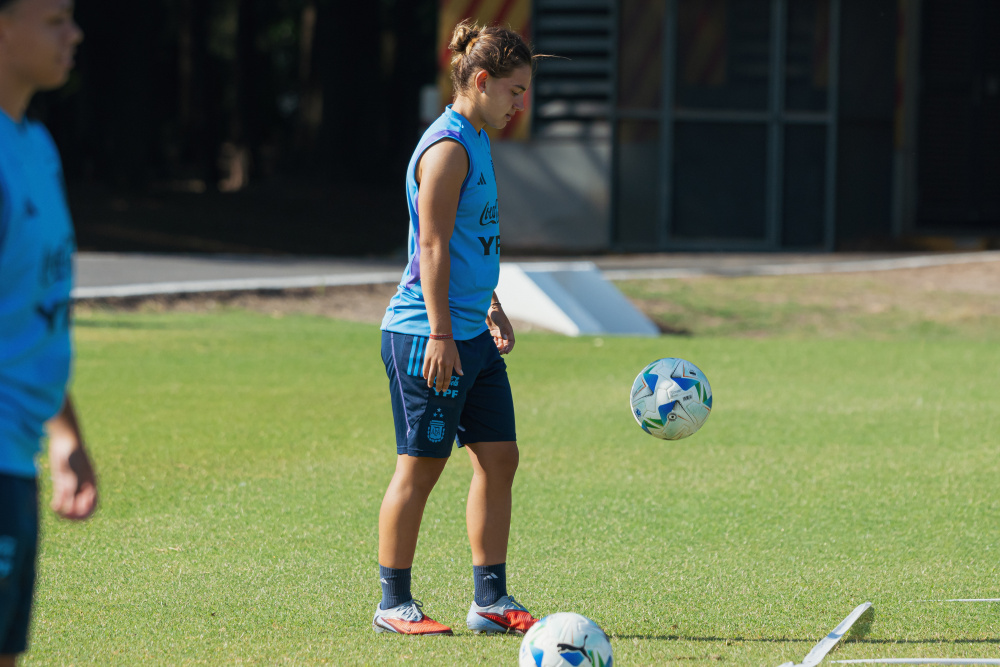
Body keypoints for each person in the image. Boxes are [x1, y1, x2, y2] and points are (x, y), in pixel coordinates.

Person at [374, 19, 539, 636]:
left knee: (499, 458)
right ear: (480, 80)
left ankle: (490, 600)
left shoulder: (477, 135)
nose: (521, 103)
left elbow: (471, 241)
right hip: (427, 334)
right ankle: (393, 605)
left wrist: (489, 306)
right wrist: (442, 335)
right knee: (420, 466)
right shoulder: (447, 148)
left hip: (469, 330)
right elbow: (434, 247)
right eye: (515, 90)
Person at [0, 0, 97, 663]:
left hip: (18, 455)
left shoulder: (34, 144)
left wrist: (65, 433)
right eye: (54, 19)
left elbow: (31, 305)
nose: (74, 33)